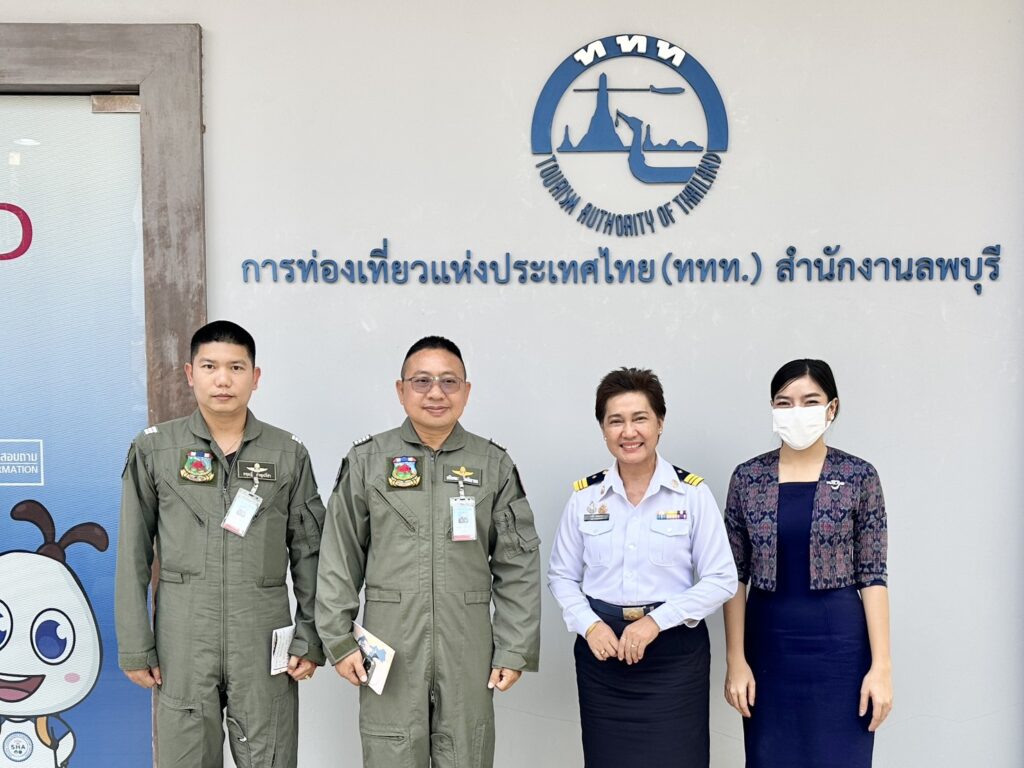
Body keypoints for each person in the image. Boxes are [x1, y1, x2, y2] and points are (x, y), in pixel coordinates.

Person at [316, 335, 541, 768]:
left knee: (466, 754)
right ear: (400, 390)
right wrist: (338, 641)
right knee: (391, 754)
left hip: (468, 648)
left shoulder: (493, 464)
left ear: (466, 392)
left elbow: (517, 563)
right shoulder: (367, 461)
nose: (436, 393)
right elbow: (338, 555)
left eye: (448, 382)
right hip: (390, 646)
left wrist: (514, 648)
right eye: (421, 381)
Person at [115, 320, 327, 768]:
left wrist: (310, 636)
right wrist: (135, 645)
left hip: (262, 638)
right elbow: (133, 556)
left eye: (236, 367)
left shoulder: (287, 453)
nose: (223, 379)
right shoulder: (155, 450)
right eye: (210, 366)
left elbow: (310, 555)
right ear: (190, 373)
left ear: (256, 376)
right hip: (183, 639)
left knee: (269, 757)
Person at [548, 367, 737, 767]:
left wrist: (655, 622)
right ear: (603, 429)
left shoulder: (691, 495)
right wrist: (590, 625)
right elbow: (561, 575)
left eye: (640, 418)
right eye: (615, 421)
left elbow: (722, 578)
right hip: (603, 656)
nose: (628, 432)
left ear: (660, 423)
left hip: (674, 656)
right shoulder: (585, 498)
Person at [722, 359, 893, 768]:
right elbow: (734, 576)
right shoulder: (748, 478)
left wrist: (882, 667)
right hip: (768, 649)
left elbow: (873, 575)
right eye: (785, 402)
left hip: (841, 650)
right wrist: (736, 660)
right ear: (773, 408)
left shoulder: (858, 476)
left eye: (810, 401)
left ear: (831, 407)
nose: (796, 411)